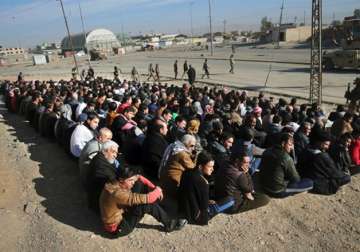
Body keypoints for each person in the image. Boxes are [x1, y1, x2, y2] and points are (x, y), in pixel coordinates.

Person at [99, 166, 186, 237]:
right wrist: (158, 190)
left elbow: (139, 177)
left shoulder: (114, 182)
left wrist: (153, 187)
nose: (133, 182)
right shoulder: (118, 194)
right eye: (130, 180)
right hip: (118, 227)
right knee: (147, 205)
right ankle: (169, 224)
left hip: (120, 212)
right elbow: (148, 198)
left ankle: (158, 208)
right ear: (122, 180)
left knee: (139, 184)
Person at [178, 151, 234, 225]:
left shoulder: (186, 172)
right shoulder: (203, 182)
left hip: (185, 210)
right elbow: (204, 207)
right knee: (231, 200)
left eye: (213, 166)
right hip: (197, 216)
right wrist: (207, 201)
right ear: (200, 166)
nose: (212, 169)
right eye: (210, 166)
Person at [258, 133, 314, 198]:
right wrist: (293, 153)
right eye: (290, 145)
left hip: (264, 186)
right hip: (278, 191)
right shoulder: (286, 158)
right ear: (283, 143)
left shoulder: (267, 150)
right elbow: (296, 179)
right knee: (310, 182)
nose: (292, 147)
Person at [297, 130, 351, 195]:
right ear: (319, 142)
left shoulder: (306, 149)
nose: (327, 147)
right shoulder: (322, 156)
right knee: (346, 178)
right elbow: (335, 173)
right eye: (326, 144)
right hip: (318, 184)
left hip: (305, 178)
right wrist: (345, 175)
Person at [159, 134, 197, 201]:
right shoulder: (182, 154)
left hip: (164, 178)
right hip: (172, 183)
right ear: (185, 144)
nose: (193, 148)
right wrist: (196, 158)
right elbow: (193, 168)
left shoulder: (174, 147)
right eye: (192, 146)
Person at [87, 140, 120, 213]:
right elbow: (114, 183)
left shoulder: (101, 156)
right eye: (114, 152)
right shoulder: (101, 167)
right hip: (101, 205)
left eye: (116, 153)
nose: (116, 155)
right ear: (106, 150)